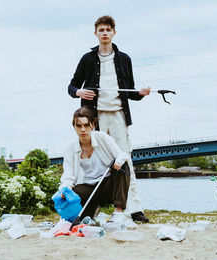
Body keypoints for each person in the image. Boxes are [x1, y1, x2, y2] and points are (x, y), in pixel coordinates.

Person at [68, 15, 150, 222]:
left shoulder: (125, 59)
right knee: (97, 162)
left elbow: (130, 92)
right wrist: (80, 93)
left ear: (114, 32)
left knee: (125, 160)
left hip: (119, 117)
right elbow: (71, 87)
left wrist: (141, 93)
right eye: (101, 30)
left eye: (108, 30)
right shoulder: (87, 59)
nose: (104, 33)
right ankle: (90, 204)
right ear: (96, 34)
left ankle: (134, 209)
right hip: (95, 119)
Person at [59, 107, 131, 222]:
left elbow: (122, 155)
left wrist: (118, 161)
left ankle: (118, 212)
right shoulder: (70, 149)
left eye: (86, 125)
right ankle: (92, 210)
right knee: (75, 198)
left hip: (107, 186)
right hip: (88, 188)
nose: (83, 129)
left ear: (92, 124)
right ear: (74, 127)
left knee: (123, 167)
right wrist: (65, 189)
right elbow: (68, 176)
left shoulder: (102, 138)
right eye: (79, 126)